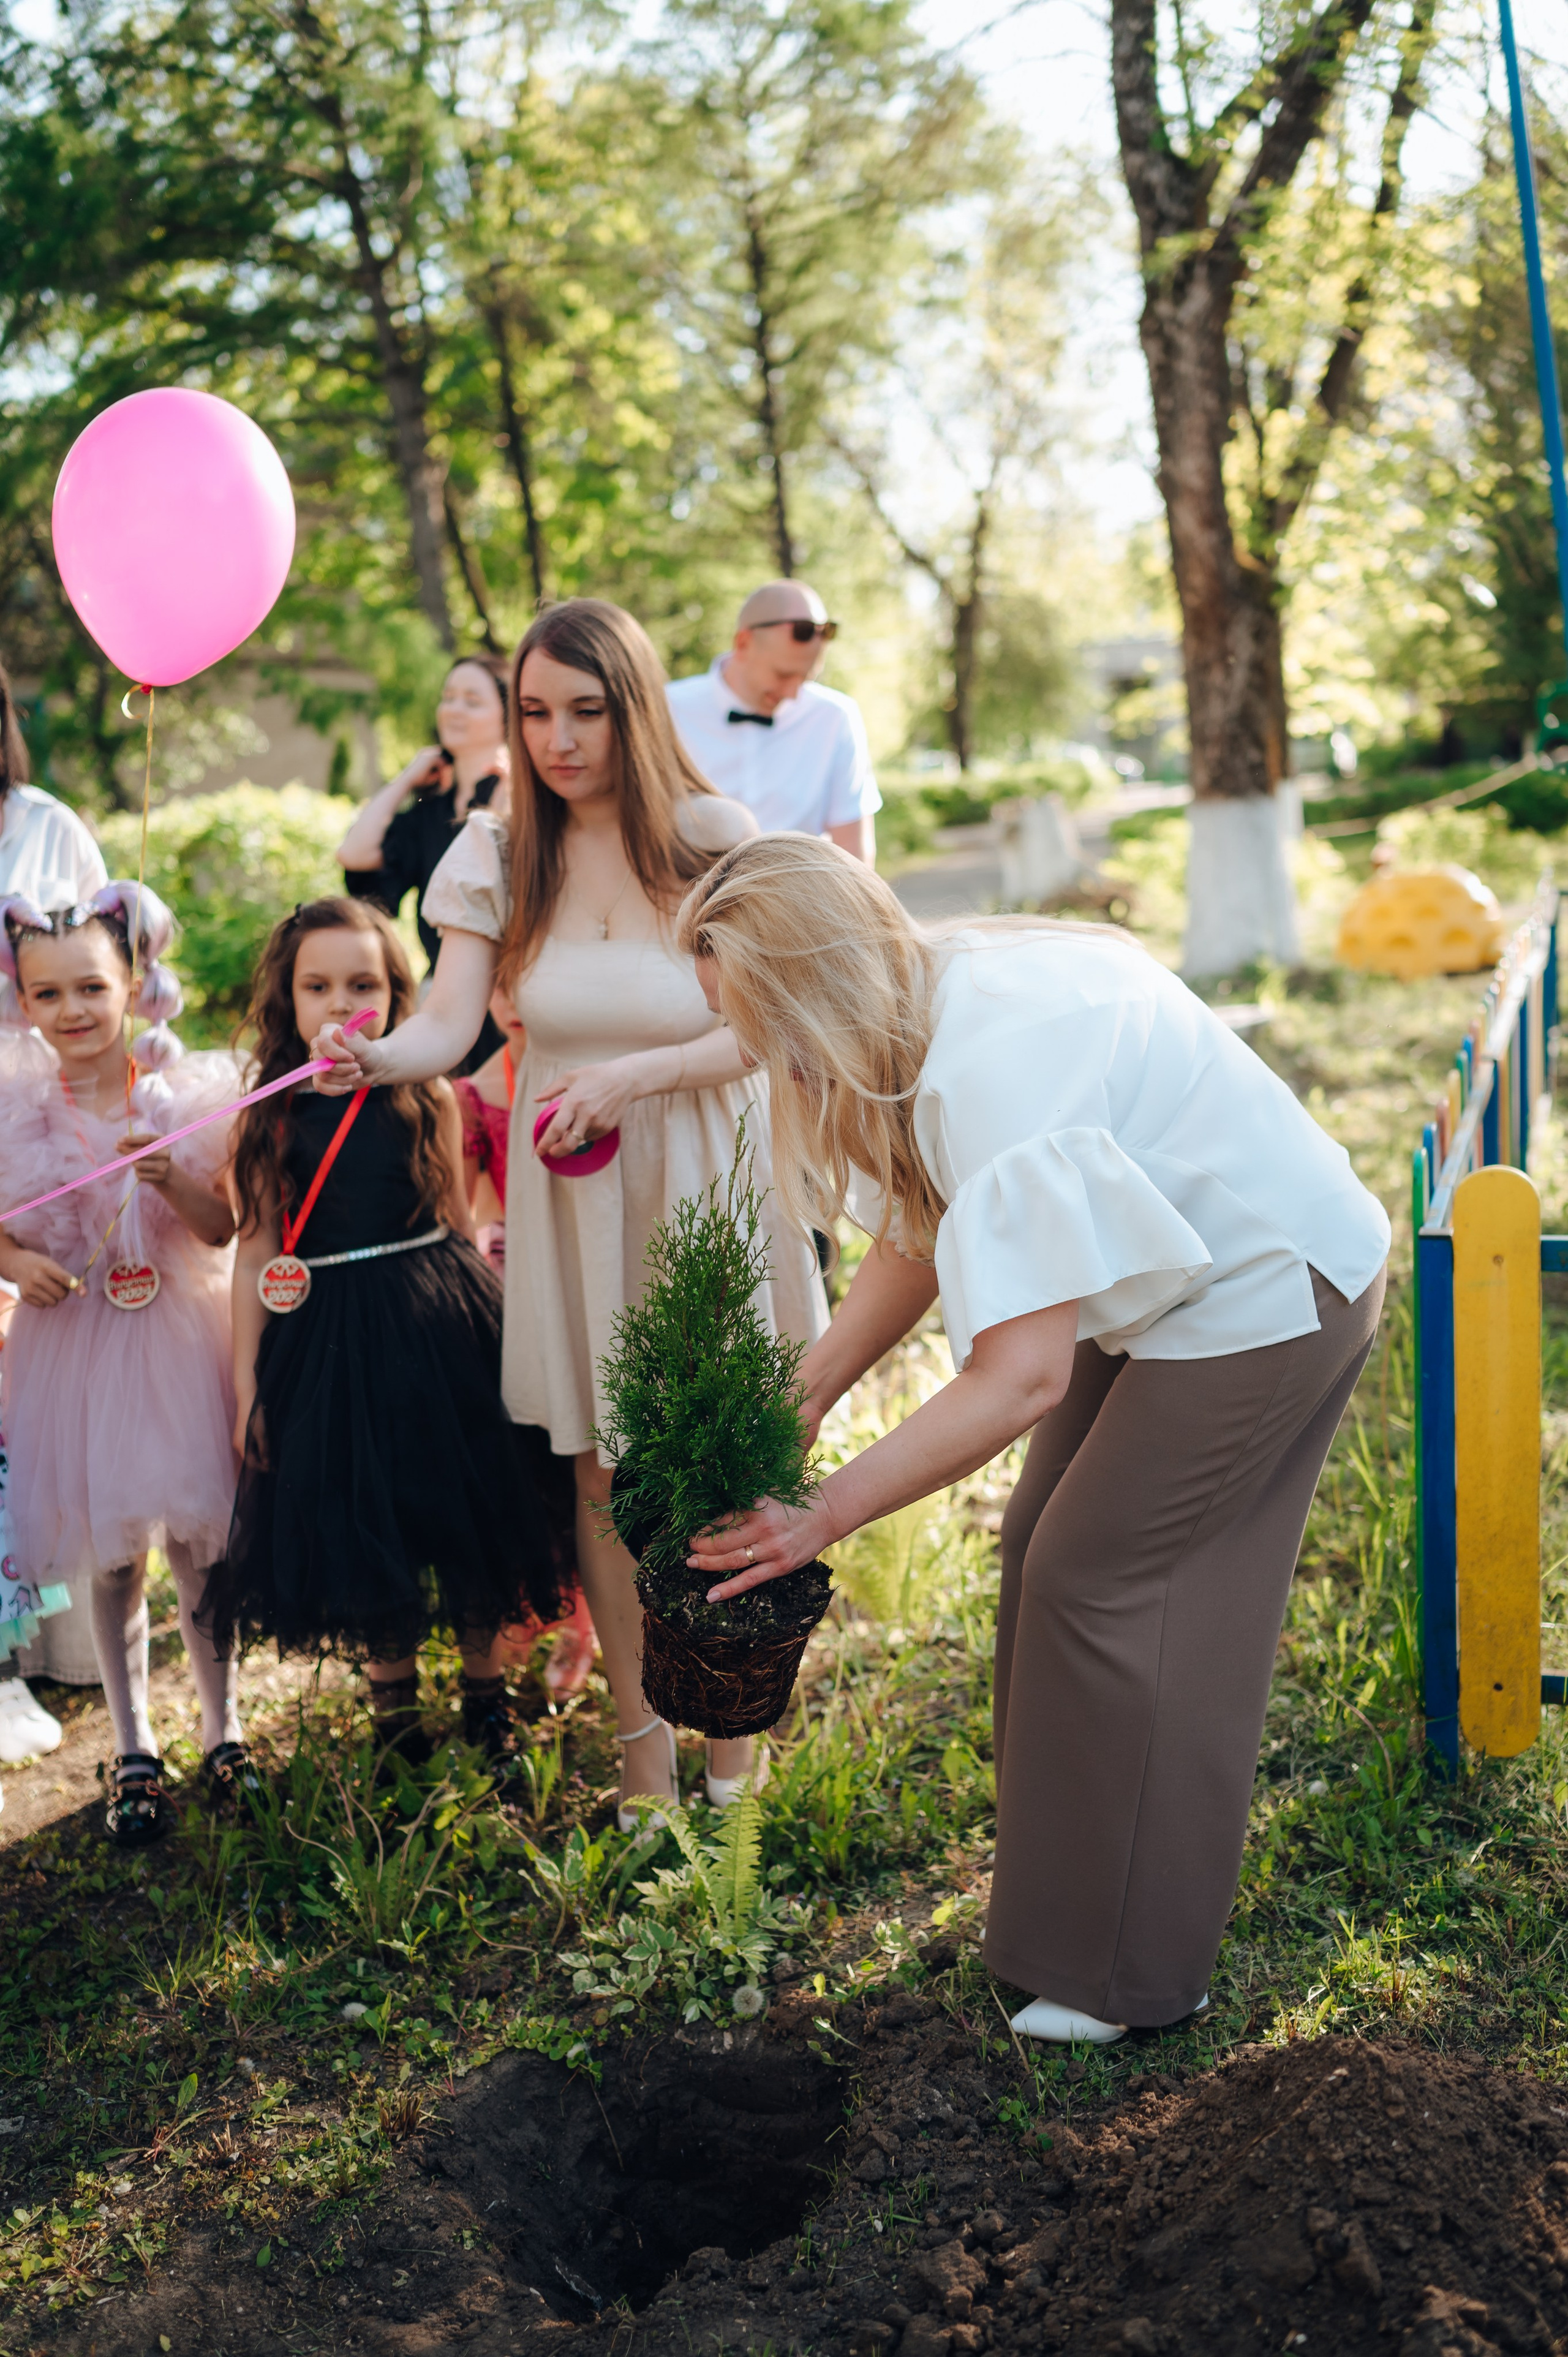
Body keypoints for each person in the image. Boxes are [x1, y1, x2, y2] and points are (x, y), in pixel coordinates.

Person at [674, 834, 1392, 2043]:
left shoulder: (983, 1067)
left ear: (814, 990)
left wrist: (823, 1513)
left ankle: (1135, 1973)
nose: (752, 1054)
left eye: (754, 1021)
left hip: (1266, 1288)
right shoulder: (913, 1002)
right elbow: (923, 1220)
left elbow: (1014, 1379)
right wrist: (811, 1386)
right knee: (1034, 1552)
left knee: (1106, 1583)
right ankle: (1061, 1914)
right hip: (1159, 1274)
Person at [311, 600, 828, 1827]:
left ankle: (729, 1757)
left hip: (696, 1168)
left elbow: (761, 1027)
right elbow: (450, 1023)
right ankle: (642, 1761)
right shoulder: (494, 853)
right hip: (574, 1190)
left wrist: (626, 1078)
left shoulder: (710, 837)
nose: (555, 737)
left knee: (709, 1463)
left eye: (583, 710)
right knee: (600, 1468)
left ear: (634, 708)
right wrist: (376, 1056)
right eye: (534, 711)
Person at [204, 898, 572, 1778]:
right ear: (285, 1001)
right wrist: (250, 1383)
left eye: (362, 983)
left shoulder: (424, 1094)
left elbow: (452, 1220)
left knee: (465, 1507)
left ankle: (485, 1697)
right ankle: (395, 1710)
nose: (340, 1004)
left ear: (399, 994)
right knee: (366, 1519)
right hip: (327, 1344)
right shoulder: (267, 1116)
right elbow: (256, 1252)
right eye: (317, 986)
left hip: (438, 1327)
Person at [0, 884, 252, 1845]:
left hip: (174, 1343)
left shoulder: (180, 1099)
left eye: (91, 989)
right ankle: (135, 1744)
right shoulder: (15, 1108)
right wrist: (19, 1263)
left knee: (199, 1549)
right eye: (47, 995)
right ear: (22, 1001)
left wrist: (172, 1176)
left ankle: (222, 1728)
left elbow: (223, 1225)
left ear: (133, 983)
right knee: (115, 1557)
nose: (71, 1012)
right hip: (74, 1350)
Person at [0, 655, 110, 1729]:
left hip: (41, 1118)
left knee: (43, 1388)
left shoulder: (46, 823)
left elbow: (98, 952)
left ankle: (62, 1639)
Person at [453, 992, 597, 1699]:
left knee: (596, 1457)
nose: (511, 1003)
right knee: (537, 1460)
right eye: (497, 985)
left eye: (524, 982)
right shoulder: (474, 1093)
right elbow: (469, 1208)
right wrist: (490, 1238)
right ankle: (551, 1602)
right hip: (514, 1293)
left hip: (588, 1268)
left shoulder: (588, 1070)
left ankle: (593, 1616)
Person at [666, 582, 880, 861]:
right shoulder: (669, 709)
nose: (793, 695)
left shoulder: (836, 717)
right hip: (690, 900)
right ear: (743, 643)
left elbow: (855, 852)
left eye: (805, 679)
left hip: (802, 901)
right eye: (782, 675)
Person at [337, 655, 510, 971]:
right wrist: (405, 779)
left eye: (472, 701)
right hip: (442, 993)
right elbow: (354, 854)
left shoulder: (521, 797)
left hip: (514, 991)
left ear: (508, 716)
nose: (453, 710)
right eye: (448, 698)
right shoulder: (432, 812)